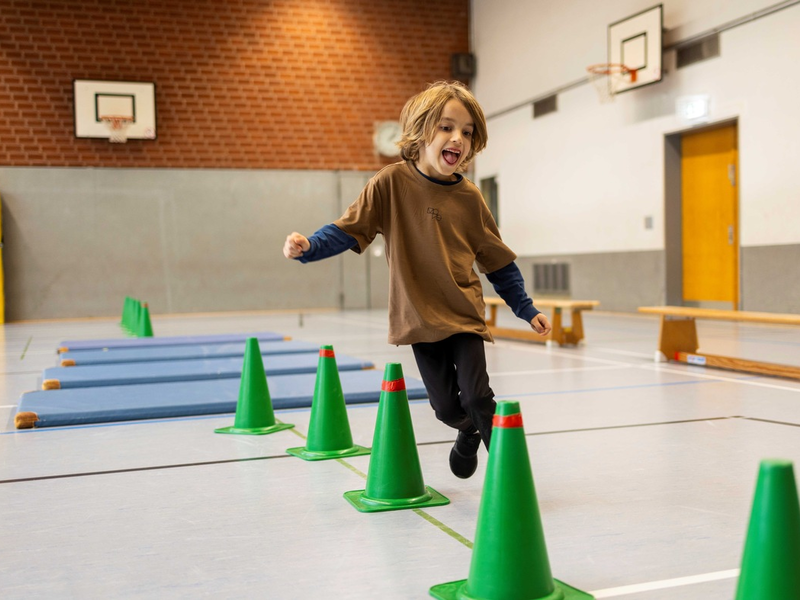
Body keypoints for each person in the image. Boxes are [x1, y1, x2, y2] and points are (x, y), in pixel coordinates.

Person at [283, 80, 551, 479]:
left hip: (462, 314)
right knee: (446, 409)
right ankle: (467, 434)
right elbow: (348, 228)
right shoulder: (390, 183)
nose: (457, 138)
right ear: (422, 130)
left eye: (466, 131)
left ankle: (511, 479)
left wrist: (526, 309)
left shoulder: (470, 198)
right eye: (446, 127)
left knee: (479, 398)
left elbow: (497, 261)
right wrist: (310, 247)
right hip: (419, 318)